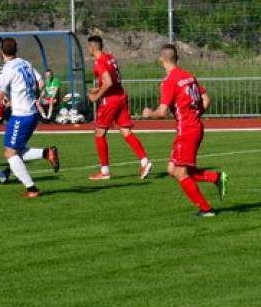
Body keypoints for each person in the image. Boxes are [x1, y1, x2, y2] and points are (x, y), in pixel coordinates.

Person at [143, 44, 227, 217]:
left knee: (180, 172)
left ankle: (206, 209)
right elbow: (206, 99)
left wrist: (149, 113)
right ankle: (215, 178)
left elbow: (162, 112)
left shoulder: (169, 81)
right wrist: (195, 114)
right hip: (195, 127)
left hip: (187, 130)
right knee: (172, 169)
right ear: (177, 58)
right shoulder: (189, 76)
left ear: (161, 60)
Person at [0, 37, 59, 197]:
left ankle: (32, 189)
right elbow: (41, 83)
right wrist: (23, 96)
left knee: (10, 153)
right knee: (15, 150)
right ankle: (47, 153)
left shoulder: (5, 69)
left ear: (1, 52)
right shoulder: (26, 63)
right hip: (32, 112)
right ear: (16, 50)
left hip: (21, 115)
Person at [86, 36, 152, 180]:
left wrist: (97, 96)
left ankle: (105, 171)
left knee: (99, 132)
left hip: (111, 100)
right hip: (121, 96)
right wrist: (100, 88)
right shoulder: (110, 58)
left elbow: (108, 82)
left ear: (92, 48)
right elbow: (113, 81)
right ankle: (144, 161)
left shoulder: (99, 62)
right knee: (125, 131)